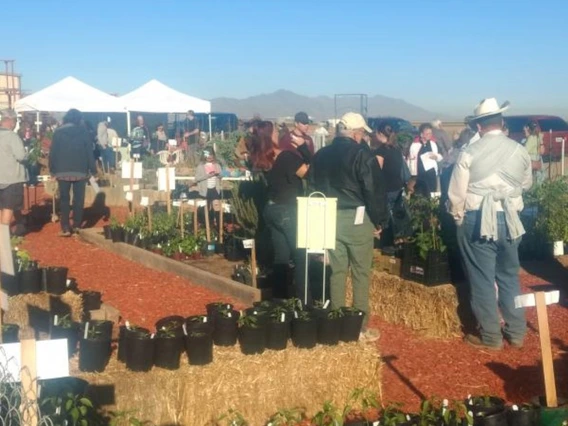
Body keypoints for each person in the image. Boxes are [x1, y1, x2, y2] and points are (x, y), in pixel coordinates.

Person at [448, 98, 532, 350]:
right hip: (509, 218)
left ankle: (491, 337)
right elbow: (526, 184)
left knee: (482, 279)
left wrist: (457, 218)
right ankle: (517, 332)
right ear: (502, 122)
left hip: (477, 219)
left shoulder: (469, 153)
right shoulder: (519, 150)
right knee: (509, 276)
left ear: (478, 126)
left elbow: (456, 194)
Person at [309, 112, 387, 340]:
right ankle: (359, 326)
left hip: (328, 215)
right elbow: (373, 189)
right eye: (362, 133)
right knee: (361, 272)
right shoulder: (362, 154)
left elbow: (312, 186)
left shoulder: (321, 154)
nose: (363, 137)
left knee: (337, 270)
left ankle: (336, 321)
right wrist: (380, 220)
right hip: (357, 218)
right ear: (356, 133)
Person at [250, 121, 311, 301]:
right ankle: (304, 302)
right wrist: (304, 149)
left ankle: (279, 299)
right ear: (271, 136)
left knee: (281, 256)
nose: (279, 133)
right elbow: (308, 173)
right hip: (288, 210)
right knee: (301, 255)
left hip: (271, 209)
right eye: (276, 131)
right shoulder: (286, 157)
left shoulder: (262, 158)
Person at [49, 109, 97, 237]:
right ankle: (76, 225)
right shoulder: (84, 132)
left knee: (64, 199)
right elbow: (89, 152)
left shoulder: (58, 132)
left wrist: (52, 170)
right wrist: (93, 170)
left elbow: (53, 152)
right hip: (80, 170)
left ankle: (65, 226)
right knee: (79, 199)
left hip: (62, 170)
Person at [0, 109, 27, 290]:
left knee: (3, 207)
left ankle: (14, 228)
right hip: (11, 178)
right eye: (15, 120)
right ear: (10, 121)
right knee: (8, 208)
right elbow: (22, 156)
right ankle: (4, 241)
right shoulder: (12, 136)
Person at [373, 123, 407, 247]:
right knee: (396, 219)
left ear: (381, 134)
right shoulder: (397, 149)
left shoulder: (380, 151)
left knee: (385, 220)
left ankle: (386, 246)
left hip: (385, 190)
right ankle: (397, 245)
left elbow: (377, 172)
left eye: (376, 133)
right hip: (397, 188)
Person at [408, 123, 442, 194]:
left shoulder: (433, 143)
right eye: (427, 133)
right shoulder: (414, 145)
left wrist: (437, 157)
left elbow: (441, 154)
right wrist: (412, 175)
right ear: (421, 134)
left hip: (431, 174)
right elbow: (411, 160)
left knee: (432, 194)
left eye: (430, 133)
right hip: (419, 175)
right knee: (419, 195)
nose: (429, 135)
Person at [194, 148, 222, 225]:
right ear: (204, 156)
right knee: (205, 208)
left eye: (211, 154)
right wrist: (207, 176)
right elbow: (197, 178)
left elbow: (220, 176)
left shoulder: (217, 165)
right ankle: (203, 224)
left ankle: (216, 224)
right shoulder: (200, 166)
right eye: (207, 154)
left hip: (214, 189)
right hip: (204, 191)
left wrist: (218, 175)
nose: (209, 156)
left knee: (216, 207)